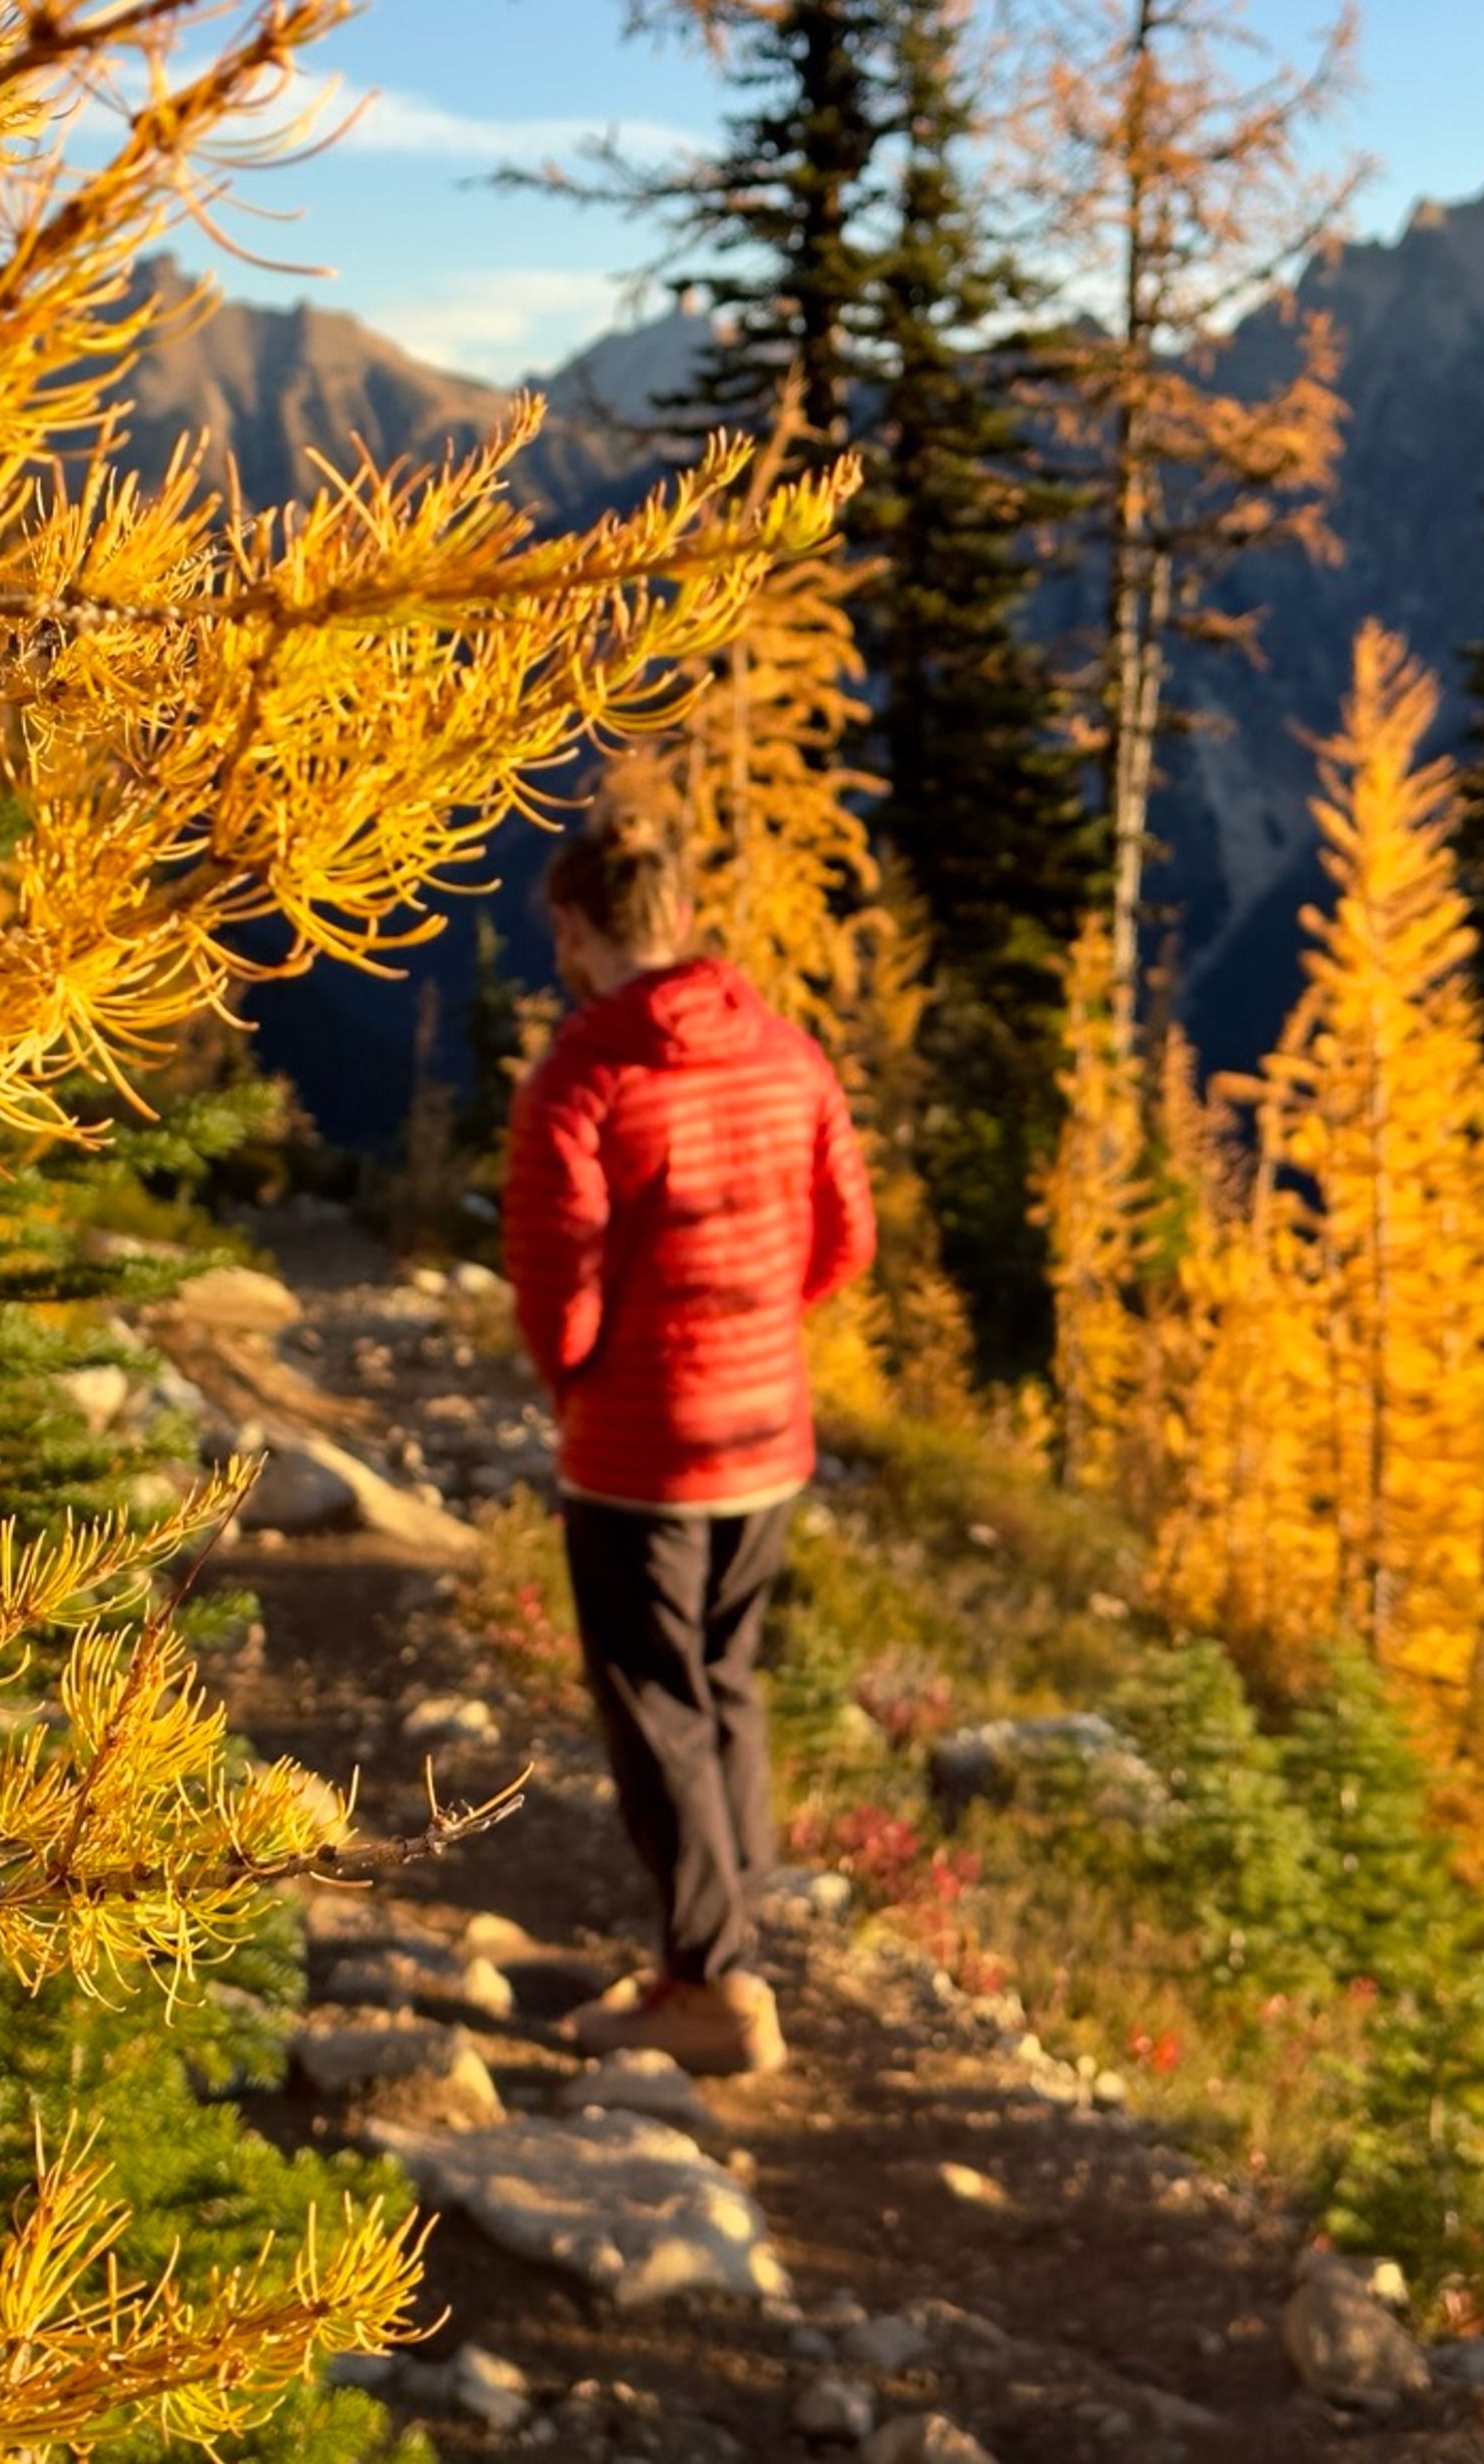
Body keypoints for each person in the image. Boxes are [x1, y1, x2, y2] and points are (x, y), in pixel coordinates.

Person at [501, 808, 875, 2076]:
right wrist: (762, 1328)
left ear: (573, 925)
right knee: (724, 1682)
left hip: (637, 1449)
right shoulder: (787, 1055)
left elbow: (558, 1281)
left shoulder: (584, 1075)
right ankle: (725, 1930)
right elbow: (843, 1240)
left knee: (654, 1704)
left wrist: (581, 1381)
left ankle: (711, 1983)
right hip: (763, 1433)